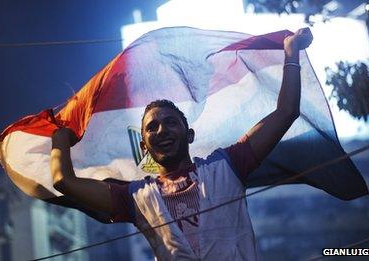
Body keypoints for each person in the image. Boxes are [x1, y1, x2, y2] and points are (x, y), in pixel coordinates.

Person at [51, 28, 313, 260]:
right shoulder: (135, 197)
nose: (162, 130)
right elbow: (64, 181)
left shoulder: (228, 165)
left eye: (171, 123)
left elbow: (286, 112)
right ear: (145, 147)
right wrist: (58, 138)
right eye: (152, 128)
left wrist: (291, 54)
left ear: (189, 135)